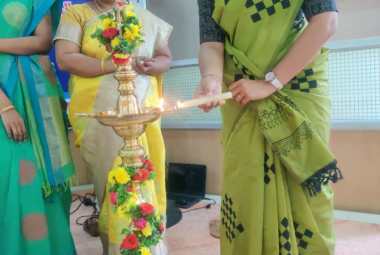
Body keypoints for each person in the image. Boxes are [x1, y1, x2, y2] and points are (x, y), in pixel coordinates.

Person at [194, 0, 341, 254]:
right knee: (245, 185)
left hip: (298, 85)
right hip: (241, 92)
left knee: (305, 186)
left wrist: (269, 83)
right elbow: (211, 41)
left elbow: (326, 20)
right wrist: (211, 78)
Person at [54, 1, 172, 254]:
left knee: (146, 172)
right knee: (111, 180)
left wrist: (151, 65)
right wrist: (117, 64)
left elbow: (165, 57)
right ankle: (119, 246)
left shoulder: (141, 15)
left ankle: (149, 244)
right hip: (101, 114)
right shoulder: (78, 13)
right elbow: (65, 59)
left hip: (141, 109)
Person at [0, 0, 76, 254]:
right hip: (6, 99)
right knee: (11, 179)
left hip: (35, 92)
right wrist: (4, 106)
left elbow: (43, 41)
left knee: (46, 180)